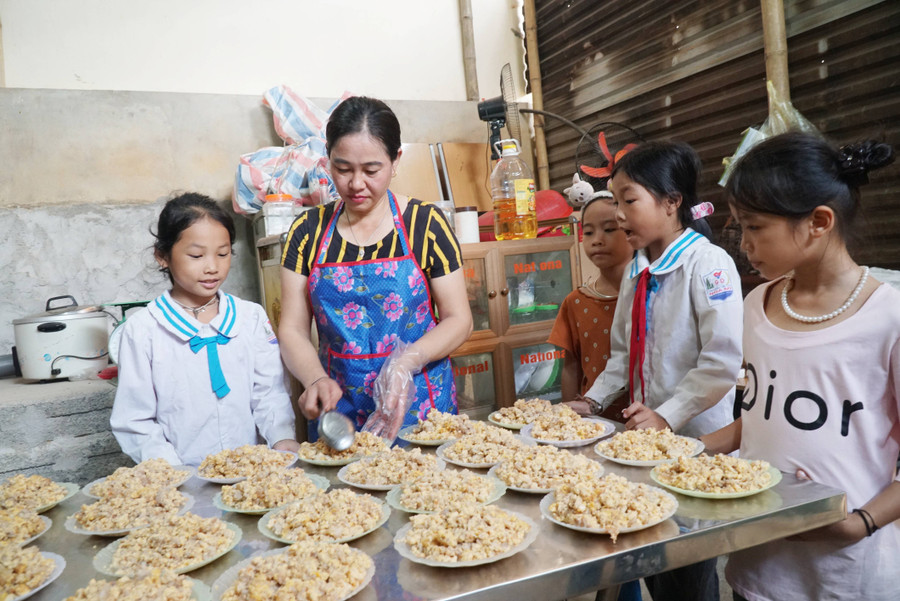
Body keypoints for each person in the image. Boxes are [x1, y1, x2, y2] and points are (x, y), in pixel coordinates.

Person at [700, 132, 899, 601]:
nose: (744, 244)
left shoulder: (888, 317)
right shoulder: (756, 305)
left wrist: (861, 523)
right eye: (739, 227)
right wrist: (682, 452)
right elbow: (760, 417)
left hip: (846, 573)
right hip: (760, 564)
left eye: (755, 227)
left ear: (819, 222)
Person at [583, 141, 744, 601]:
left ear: (672, 201)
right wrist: (592, 400)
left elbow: (720, 364)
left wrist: (668, 416)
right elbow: (621, 355)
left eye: (628, 200)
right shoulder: (639, 268)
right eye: (615, 201)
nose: (618, 215)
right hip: (648, 445)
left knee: (688, 569)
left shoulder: (708, 265)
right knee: (655, 554)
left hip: (695, 444)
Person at [279, 96, 473, 442]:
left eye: (371, 170)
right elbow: (292, 328)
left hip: (419, 400)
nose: (356, 184)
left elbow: (459, 319)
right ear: (328, 160)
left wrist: (405, 362)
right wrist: (314, 379)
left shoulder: (424, 224)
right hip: (339, 410)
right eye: (342, 168)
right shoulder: (306, 232)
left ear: (395, 160)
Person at [111, 193, 298, 466]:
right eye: (196, 255)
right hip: (180, 478)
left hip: (248, 473)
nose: (212, 267)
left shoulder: (251, 318)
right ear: (163, 257)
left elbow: (269, 393)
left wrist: (282, 438)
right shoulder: (143, 330)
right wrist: (173, 472)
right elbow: (135, 420)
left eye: (223, 254)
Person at [552, 193, 633, 423]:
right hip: (594, 421)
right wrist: (571, 420)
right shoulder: (576, 302)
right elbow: (571, 367)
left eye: (609, 229)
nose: (597, 239)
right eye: (588, 232)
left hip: (647, 422)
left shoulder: (649, 295)